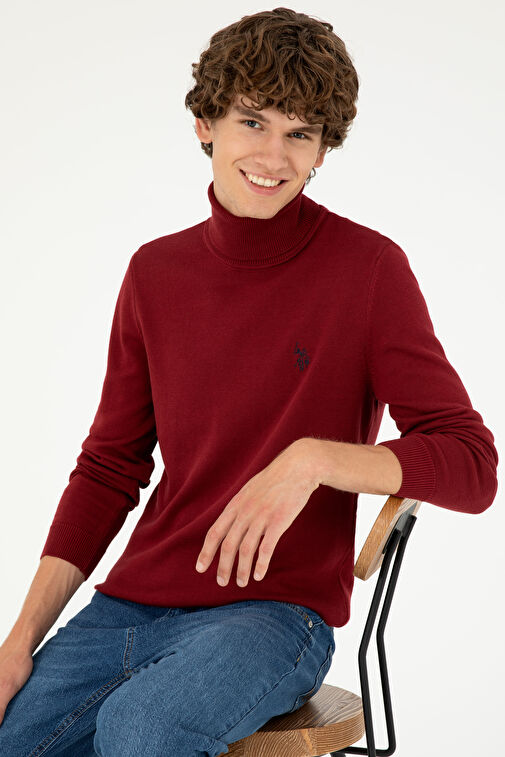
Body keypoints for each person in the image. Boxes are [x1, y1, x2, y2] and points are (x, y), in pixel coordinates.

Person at [0, 7, 498, 757]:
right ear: (205, 124)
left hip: (273, 616)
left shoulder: (367, 270)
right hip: (127, 608)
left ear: (323, 149)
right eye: (253, 122)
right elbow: (108, 467)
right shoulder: (154, 273)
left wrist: (313, 460)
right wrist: (18, 644)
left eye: (300, 133)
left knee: (142, 729)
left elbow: (471, 463)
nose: (273, 155)